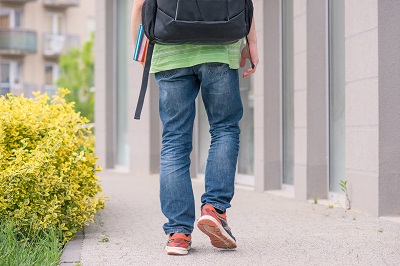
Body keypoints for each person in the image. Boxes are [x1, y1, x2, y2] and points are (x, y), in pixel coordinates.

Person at [131, 0, 259, 255]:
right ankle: (214, 209)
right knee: (224, 128)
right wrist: (251, 42)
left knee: (174, 141)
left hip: (169, 50)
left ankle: (178, 233)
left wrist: (140, 50)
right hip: (220, 47)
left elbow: (139, 5)